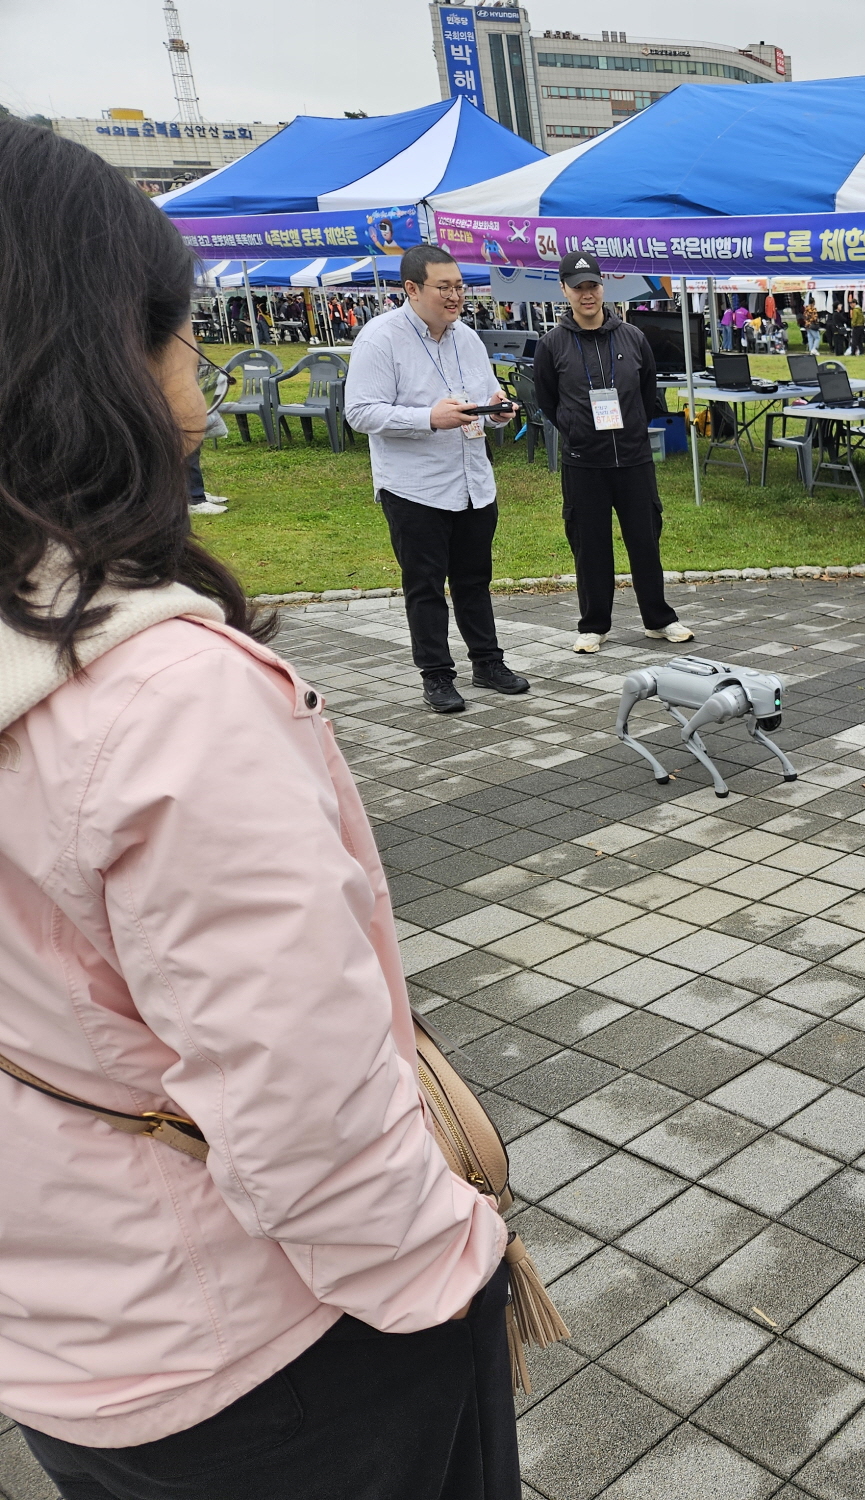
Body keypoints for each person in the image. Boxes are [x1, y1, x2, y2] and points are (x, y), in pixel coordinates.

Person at [0, 117, 515, 1500]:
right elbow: (305, 1112)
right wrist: (452, 1261)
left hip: (68, 1336)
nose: (207, 388)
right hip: (271, 1355)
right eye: (179, 336)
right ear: (94, 362)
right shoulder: (161, 697)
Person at [345, 244, 529, 714]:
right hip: (415, 486)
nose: (454, 297)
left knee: (474, 579)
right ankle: (436, 675)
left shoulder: (466, 337)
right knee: (425, 585)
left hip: (472, 480)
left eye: (459, 287)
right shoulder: (380, 338)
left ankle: (487, 662)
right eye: (443, 288)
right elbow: (360, 412)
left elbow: (483, 398)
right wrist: (427, 418)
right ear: (411, 289)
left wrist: (497, 412)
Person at [533, 251, 694, 656]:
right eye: (578, 287)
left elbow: (645, 391)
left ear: (603, 287)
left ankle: (658, 619)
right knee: (590, 544)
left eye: (593, 286)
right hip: (584, 461)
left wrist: (633, 429)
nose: (587, 294)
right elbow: (548, 400)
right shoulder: (552, 344)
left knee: (645, 540)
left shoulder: (633, 337)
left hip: (634, 458)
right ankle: (593, 624)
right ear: (564, 290)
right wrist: (574, 429)